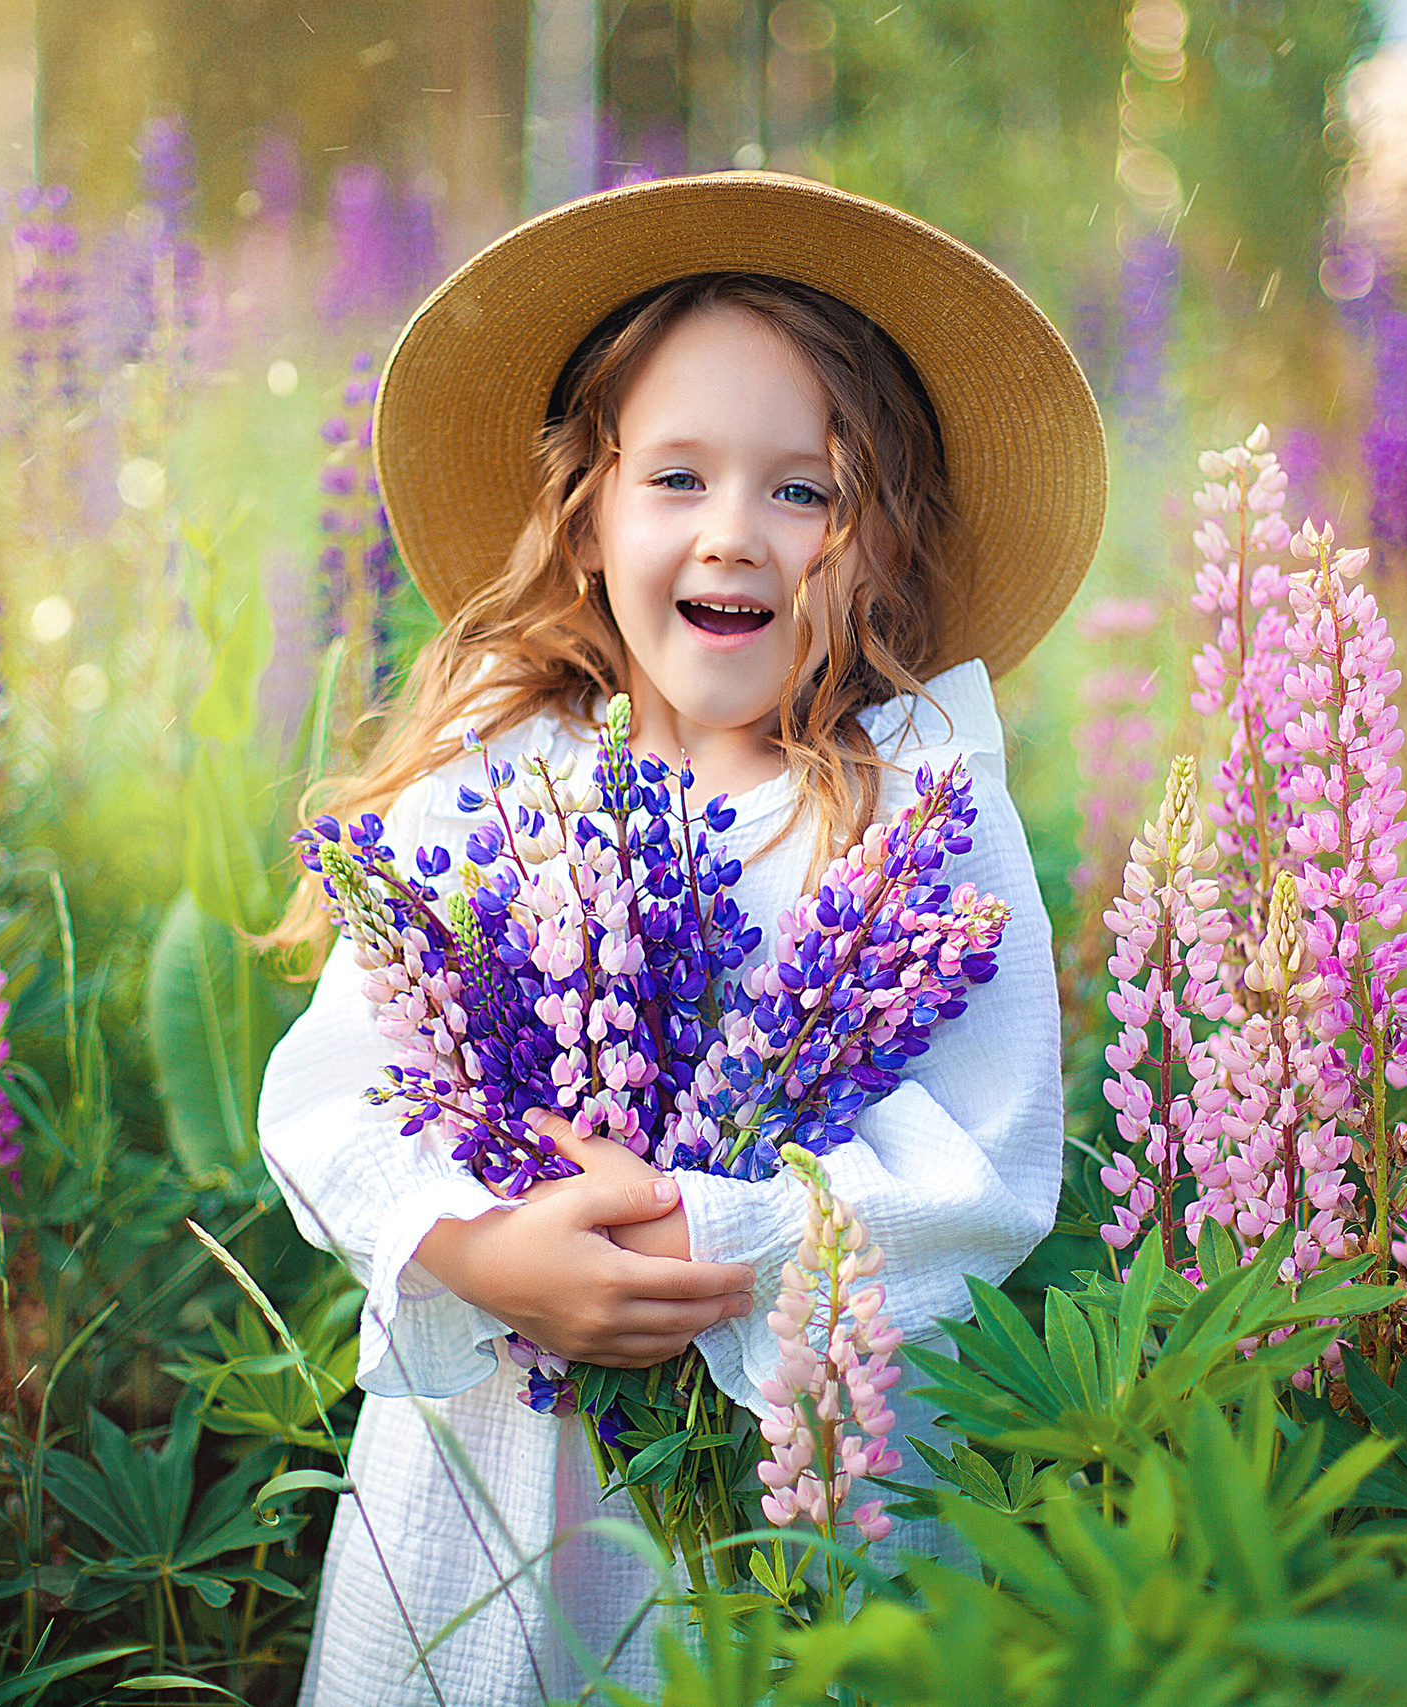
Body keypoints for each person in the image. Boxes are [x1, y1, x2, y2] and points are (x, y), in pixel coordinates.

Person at [256, 171, 1104, 1705]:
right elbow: (332, 1099)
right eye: (679, 479)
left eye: (807, 490)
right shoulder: (491, 790)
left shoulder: (921, 816)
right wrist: (480, 1247)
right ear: (582, 517)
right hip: (491, 1455)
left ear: (886, 544)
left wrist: (715, 1244)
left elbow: (982, 1172)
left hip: (808, 1458)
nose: (738, 534)